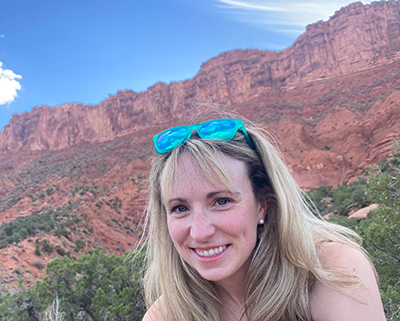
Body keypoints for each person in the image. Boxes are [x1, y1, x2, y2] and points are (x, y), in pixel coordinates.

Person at [141, 117, 386, 321]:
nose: (200, 233)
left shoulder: (333, 273)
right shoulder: (165, 315)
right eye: (180, 208)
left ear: (262, 204)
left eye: (222, 202)